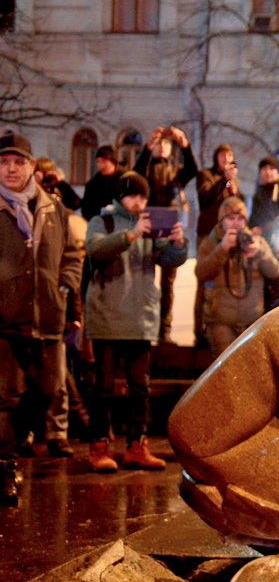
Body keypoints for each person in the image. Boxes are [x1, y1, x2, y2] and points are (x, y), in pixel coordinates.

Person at [0, 131, 83, 505]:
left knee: (47, 392)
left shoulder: (54, 210)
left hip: (47, 316)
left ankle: (11, 448)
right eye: (4, 162)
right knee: (6, 398)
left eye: (19, 162)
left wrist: (66, 285)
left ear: (32, 166)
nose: (11, 169)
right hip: (6, 319)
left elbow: (71, 255)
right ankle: (4, 469)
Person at [84, 172, 187, 471]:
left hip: (141, 318)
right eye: (133, 196)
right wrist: (130, 235)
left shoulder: (149, 226)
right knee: (103, 387)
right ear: (120, 197)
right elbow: (96, 249)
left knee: (139, 388)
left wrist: (178, 244)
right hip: (107, 316)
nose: (138, 202)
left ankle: (136, 445)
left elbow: (168, 259)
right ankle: (99, 446)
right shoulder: (101, 222)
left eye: (143, 197)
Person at [134, 125, 199, 344]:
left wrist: (185, 144)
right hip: (148, 222)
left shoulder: (176, 170)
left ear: (171, 149)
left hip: (170, 224)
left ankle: (165, 329)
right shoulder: (148, 167)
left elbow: (193, 170)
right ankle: (145, 325)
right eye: (159, 144)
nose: (162, 147)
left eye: (166, 144)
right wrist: (148, 146)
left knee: (168, 282)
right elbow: (135, 173)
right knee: (145, 277)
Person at [196, 196, 279, 355]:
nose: (235, 222)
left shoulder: (256, 241)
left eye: (240, 218)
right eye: (230, 218)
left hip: (252, 322)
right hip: (221, 322)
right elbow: (201, 273)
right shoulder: (210, 242)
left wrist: (259, 253)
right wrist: (222, 249)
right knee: (226, 371)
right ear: (222, 220)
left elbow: (274, 272)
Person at [193, 143, 242, 347]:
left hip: (229, 236)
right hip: (208, 234)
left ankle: (223, 326)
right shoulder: (206, 175)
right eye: (222, 155)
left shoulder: (233, 182)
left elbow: (238, 204)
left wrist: (234, 187)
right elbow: (205, 196)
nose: (226, 159)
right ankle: (199, 329)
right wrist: (224, 180)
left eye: (229, 155)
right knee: (205, 281)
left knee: (226, 281)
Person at [248, 155, 279, 236]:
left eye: (271, 169)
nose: (268, 172)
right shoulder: (258, 195)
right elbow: (253, 219)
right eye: (264, 169)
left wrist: (263, 229)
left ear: (277, 172)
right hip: (259, 239)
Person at [81, 145, 122, 221]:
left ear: (113, 161)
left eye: (104, 161)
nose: (101, 165)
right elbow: (86, 210)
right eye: (98, 161)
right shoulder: (93, 185)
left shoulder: (125, 180)